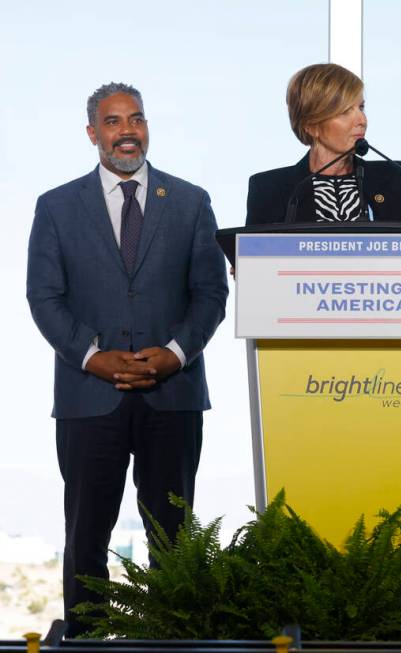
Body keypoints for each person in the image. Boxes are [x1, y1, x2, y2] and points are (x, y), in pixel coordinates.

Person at [26, 83, 228, 637]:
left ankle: (172, 642)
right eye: (113, 122)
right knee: (86, 536)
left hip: (174, 394)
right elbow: (44, 297)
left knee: (174, 537)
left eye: (135, 118)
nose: (127, 131)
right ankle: (88, 641)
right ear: (93, 133)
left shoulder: (191, 202)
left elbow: (211, 294)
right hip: (89, 399)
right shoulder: (57, 206)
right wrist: (92, 358)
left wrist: (176, 354)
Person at [246, 63, 401, 225]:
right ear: (311, 125)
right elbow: (257, 268)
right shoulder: (269, 190)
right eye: (345, 112)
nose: (361, 120)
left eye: (361, 107)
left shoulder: (397, 177)